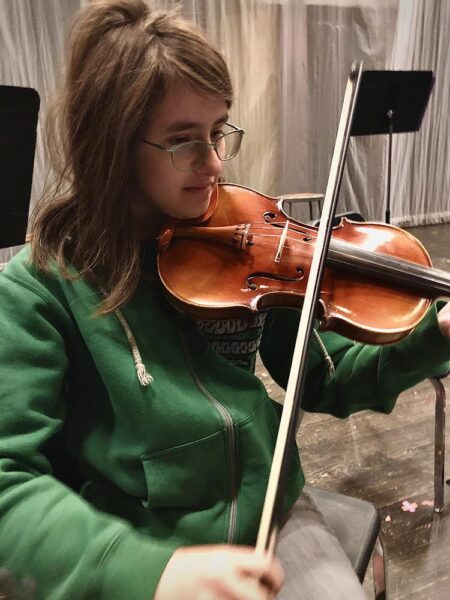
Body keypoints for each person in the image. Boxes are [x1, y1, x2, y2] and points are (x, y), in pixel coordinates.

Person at [0, 1, 449, 599]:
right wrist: (148, 573)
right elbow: (8, 487)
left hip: (272, 515)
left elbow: (328, 374)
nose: (213, 164)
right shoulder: (38, 290)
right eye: (182, 141)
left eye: (218, 132)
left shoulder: (250, 246)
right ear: (110, 144)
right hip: (142, 546)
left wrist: (434, 337)